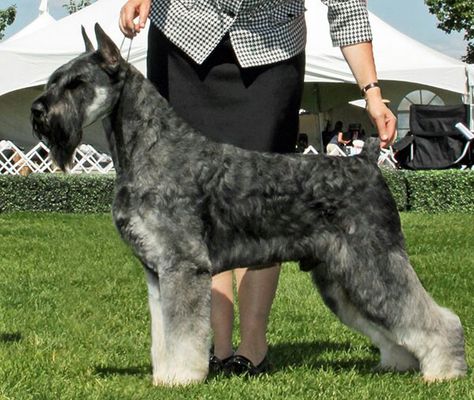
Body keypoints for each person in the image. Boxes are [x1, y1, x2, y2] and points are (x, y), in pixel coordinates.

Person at [119, 0, 397, 375]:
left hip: (271, 46)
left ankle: (252, 346)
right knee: (197, 209)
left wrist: (372, 93)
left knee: (265, 203)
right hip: (183, 38)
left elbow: (347, 6)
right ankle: (211, 350)